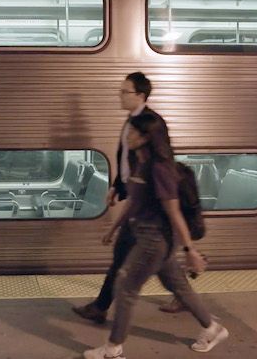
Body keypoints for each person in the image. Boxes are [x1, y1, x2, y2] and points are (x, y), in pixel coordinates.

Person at [83, 113, 229, 359]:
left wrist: (190, 250)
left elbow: (173, 211)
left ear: (145, 137)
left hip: (155, 238)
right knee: (178, 286)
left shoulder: (159, 169)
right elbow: (134, 203)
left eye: (132, 132)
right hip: (144, 234)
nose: (127, 136)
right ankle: (212, 328)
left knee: (125, 286)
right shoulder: (140, 163)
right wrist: (113, 228)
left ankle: (112, 350)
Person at [72, 72, 185, 325]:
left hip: (147, 204)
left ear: (140, 95)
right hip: (135, 197)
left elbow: (161, 161)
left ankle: (102, 310)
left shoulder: (152, 123)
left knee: (130, 255)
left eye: (125, 92)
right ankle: (184, 297)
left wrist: (151, 198)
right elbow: (127, 160)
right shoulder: (131, 120)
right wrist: (118, 186)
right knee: (152, 258)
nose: (120, 96)